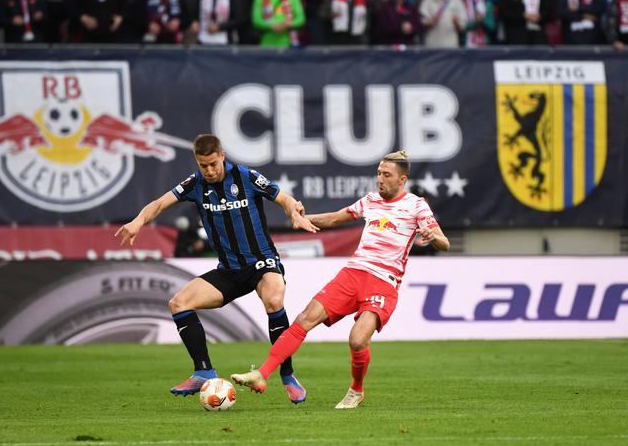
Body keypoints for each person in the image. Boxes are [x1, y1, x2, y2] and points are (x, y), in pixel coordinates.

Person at [231, 150, 450, 409]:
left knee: (357, 340)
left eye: (387, 175)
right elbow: (335, 218)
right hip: (352, 274)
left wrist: (431, 235)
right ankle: (261, 374)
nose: (380, 179)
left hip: (384, 282)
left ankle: (356, 390)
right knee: (304, 319)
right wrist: (302, 218)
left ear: (402, 179)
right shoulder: (370, 200)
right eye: (379, 173)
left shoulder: (416, 205)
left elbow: (444, 242)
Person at [115, 134, 319, 404]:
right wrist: (138, 221)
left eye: (213, 163)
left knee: (273, 297)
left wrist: (294, 211)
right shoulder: (195, 183)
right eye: (203, 165)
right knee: (179, 303)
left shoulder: (246, 176)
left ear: (222, 155)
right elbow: (159, 204)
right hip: (229, 271)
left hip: (261, 263)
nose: (209, 171)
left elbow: (282, 197)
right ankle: (203, 371)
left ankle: (287, 374)